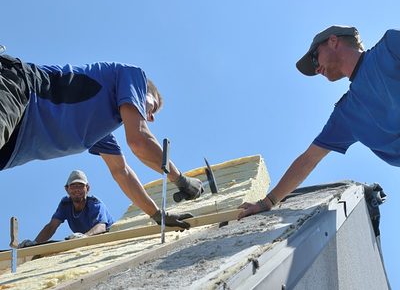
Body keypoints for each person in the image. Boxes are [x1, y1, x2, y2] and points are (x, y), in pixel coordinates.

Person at [0, 52, 204, 228]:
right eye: (154, 106)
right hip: (18, 89)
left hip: (10, 149)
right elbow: (139, 140)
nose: (152, 117)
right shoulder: (132, 75)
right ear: (144, 91)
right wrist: (182, 181)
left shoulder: (99, 131)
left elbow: (121, 172)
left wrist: (157, 215)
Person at [238, 25, 400, 218]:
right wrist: (267, 202)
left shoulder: (390, 48)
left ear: (333, 41)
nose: (316, 69)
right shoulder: (346, 115)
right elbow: (309, 160)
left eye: (315, 57)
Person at [19, 170, 115, 247]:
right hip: (86, 244)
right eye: (73, 186)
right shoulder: (65, 205)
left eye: (81, 186)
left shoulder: (95, 204)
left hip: (109, 243)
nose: (77, 189)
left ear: (88, 188)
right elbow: (51, 226)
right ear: (67, 189)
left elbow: (101, 227)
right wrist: (34, 243)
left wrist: (85, 236)